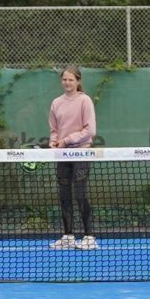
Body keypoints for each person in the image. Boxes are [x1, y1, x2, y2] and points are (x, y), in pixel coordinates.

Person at [48, 64, 98, 251]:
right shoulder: (56, 103)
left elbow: (90, 130)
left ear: (78, 81)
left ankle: (89, 236)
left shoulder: (85, 101)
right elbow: (54, 129)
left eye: (71, 79)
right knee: (64, 196)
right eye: (64, 79)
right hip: (62, 154)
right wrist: (54, 141)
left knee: (80, 194)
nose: (67, 83)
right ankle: (68, 236)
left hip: (81, 152)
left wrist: (67, 140)